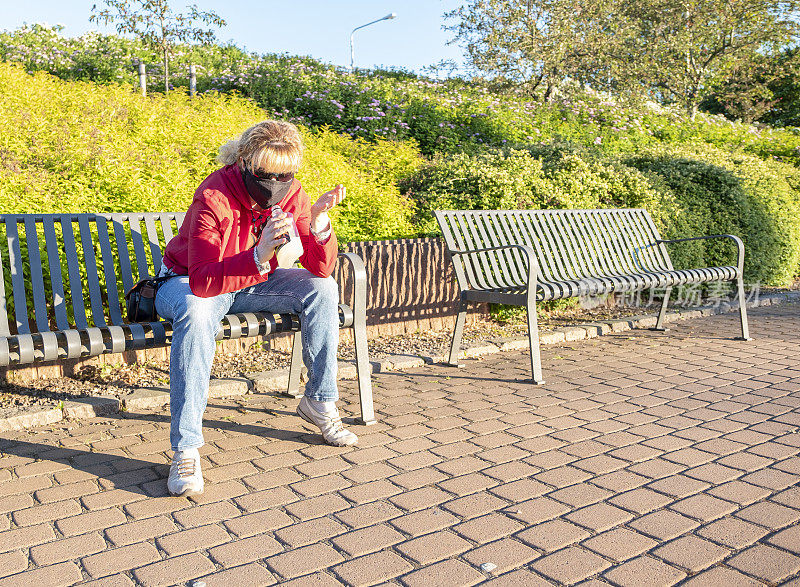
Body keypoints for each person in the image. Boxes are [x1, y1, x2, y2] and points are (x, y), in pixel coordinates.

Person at [155, 120, 357, 498]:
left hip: (251, 280)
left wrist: (318, 223)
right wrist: (260, 253)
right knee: (198, 313)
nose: (276, 183)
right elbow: (201, 281)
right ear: (246, 161)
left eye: (286, 174)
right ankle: (186, 448)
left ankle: (319, 401)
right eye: (266, 174)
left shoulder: (291, 192)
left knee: (323, 289)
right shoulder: (214, 194)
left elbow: (319, 268)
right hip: (186, 282)